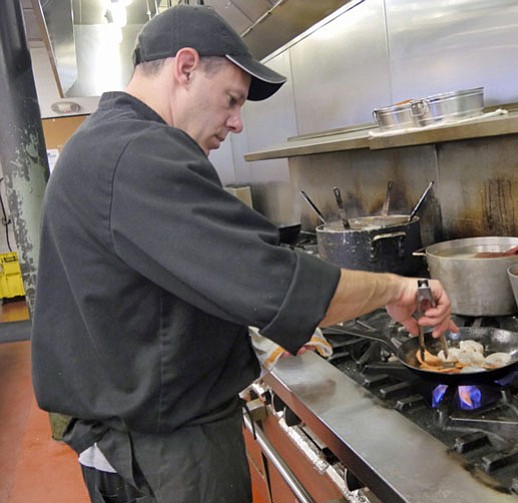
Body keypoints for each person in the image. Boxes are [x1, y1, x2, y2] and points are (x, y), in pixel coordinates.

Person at [30, 5, 459, 503]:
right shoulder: (140, 153)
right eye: (231, 100)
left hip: (137, 441)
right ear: (185, 67)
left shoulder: (105, 142)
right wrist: (402, 287)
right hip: (168, 456)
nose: (236, 123)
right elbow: (280, 287)